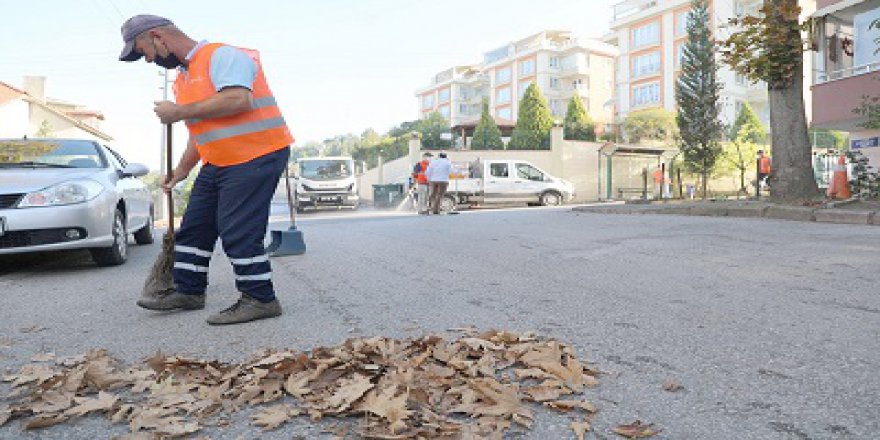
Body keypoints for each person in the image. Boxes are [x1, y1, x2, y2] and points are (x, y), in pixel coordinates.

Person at [119, 15, 293, 325]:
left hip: (257, 153)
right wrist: (181, 170)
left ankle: (260, 298)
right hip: (220, 160)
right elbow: (201, 131)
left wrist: (179, 112)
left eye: (143, 50)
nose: (147, 60)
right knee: (195, 225)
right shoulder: (183, 79)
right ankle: (188, 291)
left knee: (238, 228)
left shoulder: (222, 56)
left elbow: (239, 99)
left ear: (158, 37)